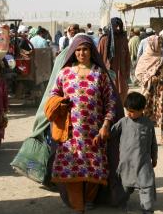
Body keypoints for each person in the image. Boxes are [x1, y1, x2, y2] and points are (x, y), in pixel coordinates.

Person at [49, 34, 121, 213]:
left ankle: (89, 199)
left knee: (94, 167)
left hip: (94, 132)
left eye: (85, 49)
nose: (82, 53)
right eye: (78, 50)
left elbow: (111, 102)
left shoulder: (100, 74)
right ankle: (77, 204)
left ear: (91, 51)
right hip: (70, 132)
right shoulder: (64, 73)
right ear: (74, 52)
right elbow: (52, 95)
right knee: (71, 166)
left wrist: (105, 125)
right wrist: (59, 102)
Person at [110, 92, 157, 214]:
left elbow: (153, 143)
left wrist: (154, 157)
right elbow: (111, 134)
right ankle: (121, 203)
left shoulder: (148, 124)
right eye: (127, 111)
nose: (129, 114)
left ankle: (147, 209)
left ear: (142, 110)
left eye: (132, 111)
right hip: (126, 163)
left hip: (143, 163)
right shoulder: (123, 122)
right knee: (124, 187)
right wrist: (103, 133)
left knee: (146, 186)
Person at [135, 35, 163, 146]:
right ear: (152, 44)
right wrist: (150, 78)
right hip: (150, 93)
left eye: (160, 43)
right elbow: (138, 73)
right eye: (158, 43)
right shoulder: (145, 58)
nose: (160, 45)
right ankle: (146, 139)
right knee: (147, 115)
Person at [98, 17, 131, 102]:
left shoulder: (123, 39)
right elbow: (99, 57)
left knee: (121, 100)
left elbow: (127, 57)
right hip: (108, 74)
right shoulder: (104, 40)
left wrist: (127, 73)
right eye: (115, 26)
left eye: (119, 26)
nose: (118, 29)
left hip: (121, 75)